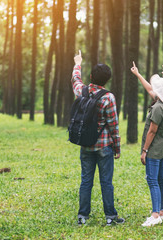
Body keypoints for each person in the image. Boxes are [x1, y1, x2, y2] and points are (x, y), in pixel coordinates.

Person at [71, 50, 124, 226]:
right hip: (104, 147)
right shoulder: (108, 97)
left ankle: (82, 217)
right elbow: (113, 125)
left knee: (86, 181)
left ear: (92, 76)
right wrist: (117, 148)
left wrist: (77, 63)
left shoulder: (82, 91)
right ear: (107, 80)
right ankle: (110, 217)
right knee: (106, 182)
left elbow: (75, 80)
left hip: (86, 145)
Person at [131, 62, 163, 227]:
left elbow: (151, 132)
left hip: (155, 151)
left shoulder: (158, 108)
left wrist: (144, 150)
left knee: (153, 181)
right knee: (162, 179)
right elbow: (151, 89)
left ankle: (155, 215)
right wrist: (138, 74)